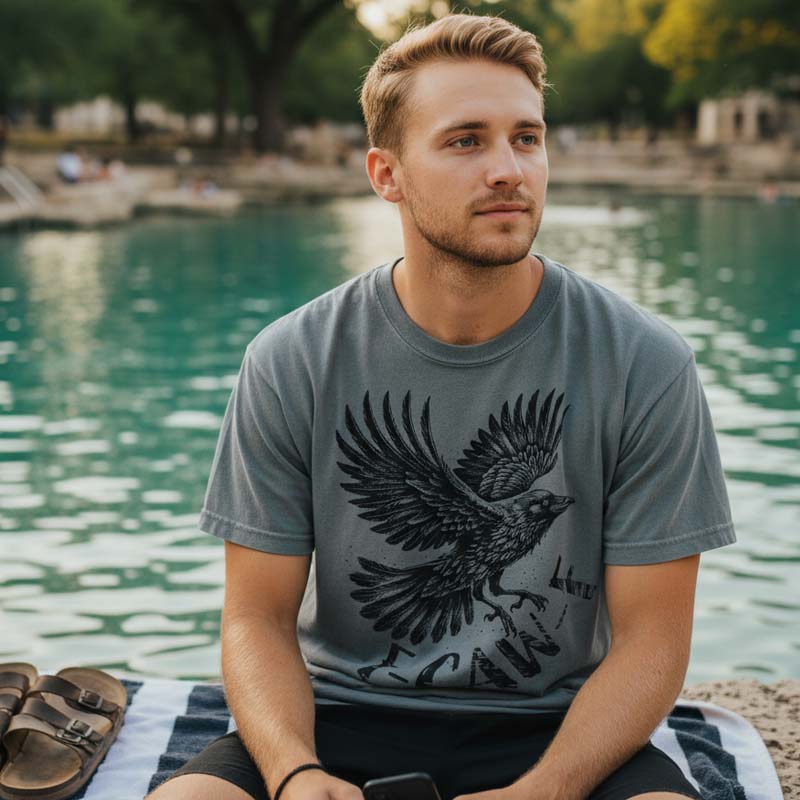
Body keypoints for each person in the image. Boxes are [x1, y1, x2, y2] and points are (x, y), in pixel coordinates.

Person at [146, 12, 736, 800]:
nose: (509, 170)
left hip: (559, 726)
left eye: (527, 138)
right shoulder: (291, 360)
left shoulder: (647, 364)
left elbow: (653, 643)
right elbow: (256, 619)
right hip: (337, 713)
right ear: (386, 174)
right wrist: (293, 772)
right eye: (466, 141)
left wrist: (546, 791)